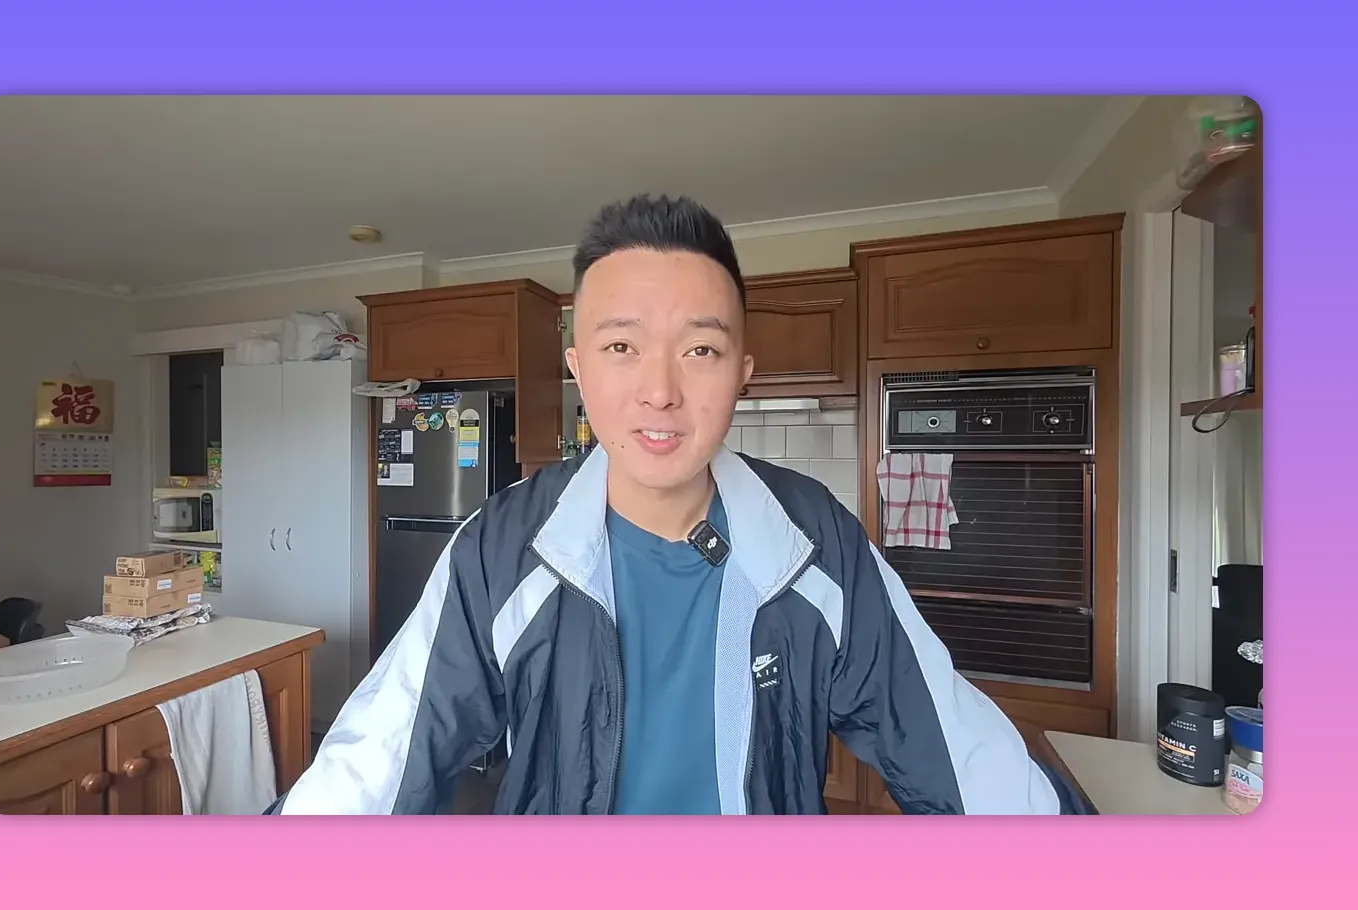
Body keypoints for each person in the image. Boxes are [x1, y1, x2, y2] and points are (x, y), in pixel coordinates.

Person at [276, 193, 1079, 815]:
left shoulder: (813, 542)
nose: (660, 391)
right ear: (579, 369)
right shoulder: (505, 546)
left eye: (700, 350)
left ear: (742, 373)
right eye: (622, 346)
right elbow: (375, 760)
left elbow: (955, 746)